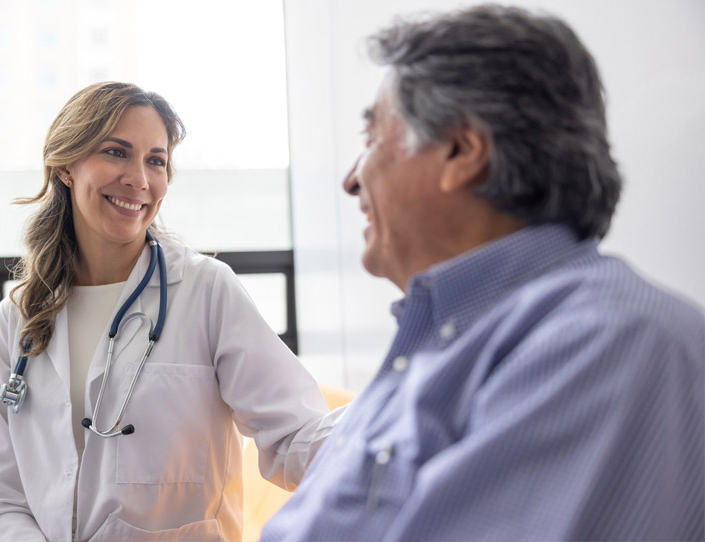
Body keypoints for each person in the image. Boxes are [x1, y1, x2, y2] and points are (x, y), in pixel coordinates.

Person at [262, 5, 704, 541]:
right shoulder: (438, 339)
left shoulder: (608, 341)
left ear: (461, 150)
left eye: (374, 137)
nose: (352, 179)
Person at [0, 82, 341, 542]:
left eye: (155, 161)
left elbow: (296, 434)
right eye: (117, 153)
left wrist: (396, 435)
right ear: (64, 166)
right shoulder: (19, 317)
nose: (139, 179)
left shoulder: (205, 291)